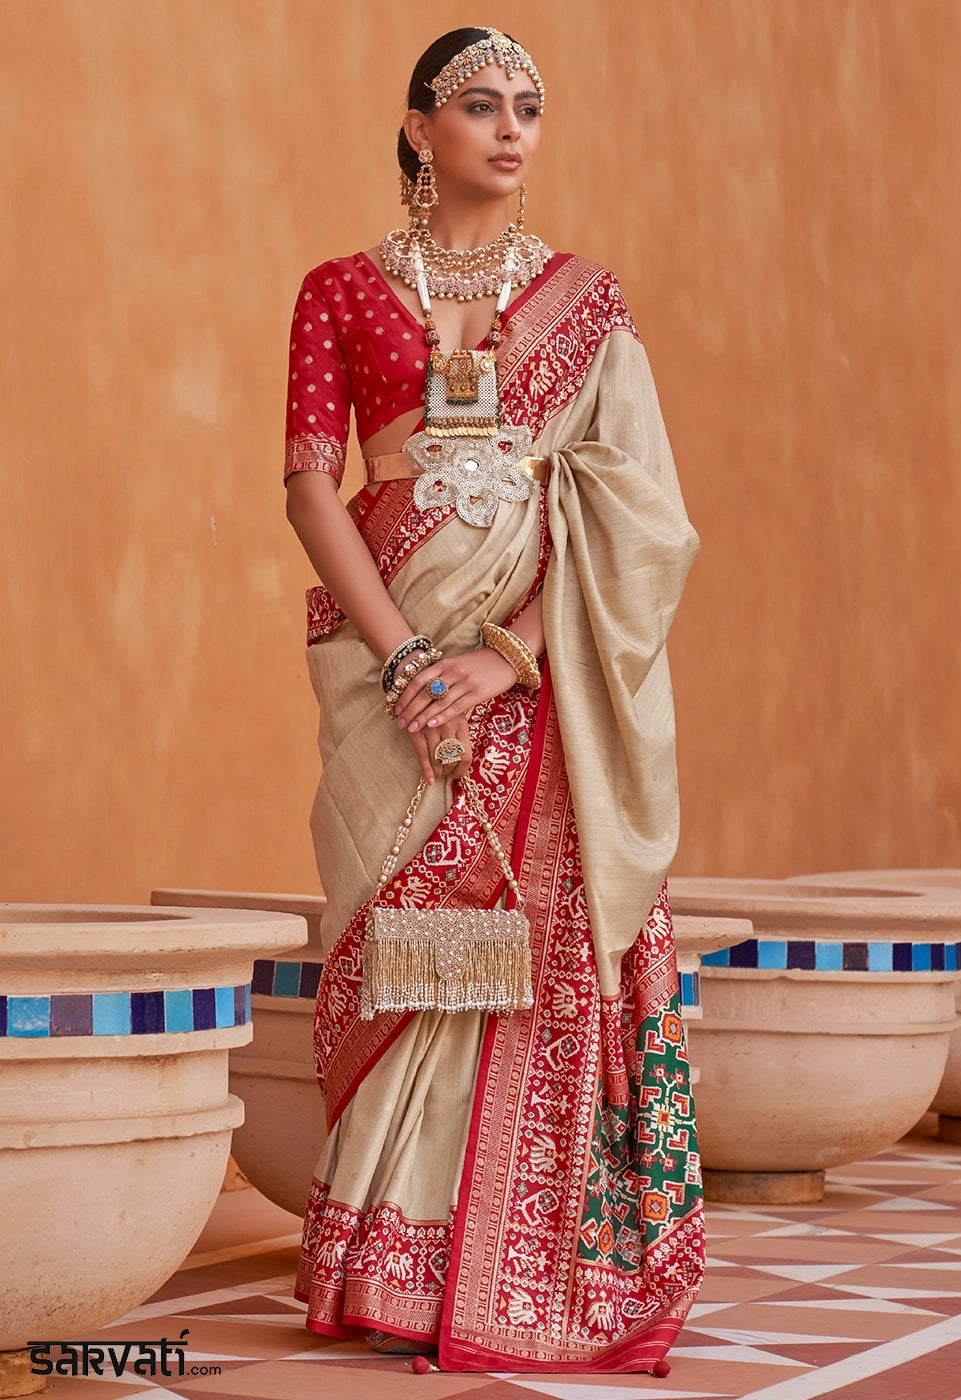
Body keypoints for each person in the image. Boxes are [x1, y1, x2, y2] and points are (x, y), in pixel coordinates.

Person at [283, 27, 704, 1374]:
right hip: (386, 671)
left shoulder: (587, 305)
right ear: (419, 130)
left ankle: (518, 1275)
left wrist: (511, 653)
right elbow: (307, 485)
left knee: (539, 951)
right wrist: (409, 658)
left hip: (539, 677)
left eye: (529, 106)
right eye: (480, 105)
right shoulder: (339, 293)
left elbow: (635, 519)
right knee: (409, 935)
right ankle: (389, 1262)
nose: (512, 128)